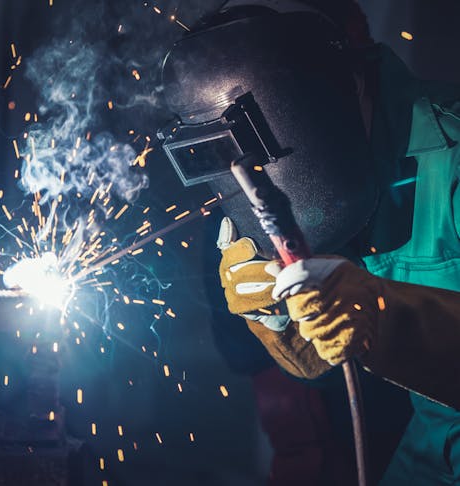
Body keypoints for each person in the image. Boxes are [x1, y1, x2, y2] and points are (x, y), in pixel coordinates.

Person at [158, 0, 460, 484]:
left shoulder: (453, 155)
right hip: (430, 450)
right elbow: (317, 360)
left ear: (341, 85)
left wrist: (386, 312)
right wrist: (277, 314)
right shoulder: (338, 179)